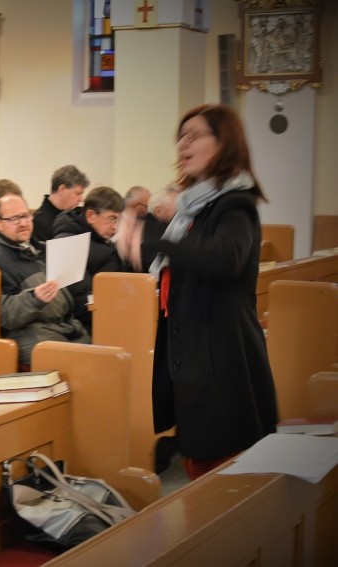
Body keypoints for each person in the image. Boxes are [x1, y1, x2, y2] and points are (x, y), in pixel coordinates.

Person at [141, 103, 278, 480]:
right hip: (194, 359)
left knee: (228, 478)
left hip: (222, 362)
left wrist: (157, 241)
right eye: (180, 137)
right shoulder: (192, 211)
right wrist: (143, 227)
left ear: (225, 143)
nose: (183, 145)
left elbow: (224, 260)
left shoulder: (235, 203)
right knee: (200, 470)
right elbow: (164, 264)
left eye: (194, 135)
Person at [0, 193, 89, 366]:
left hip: (63, 325)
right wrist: (34, 299)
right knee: (77, 366)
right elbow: (1, 315)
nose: (23, 223)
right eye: (14, 219)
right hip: (30, 334)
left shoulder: (40, 249)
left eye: (25, 216)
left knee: (101, 356)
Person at [51, 185, 129, 335]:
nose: (115, 227)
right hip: (87, 328)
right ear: (91, 216)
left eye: (118, 221)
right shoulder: (68, 244)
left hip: (110, 316)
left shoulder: (103, 239)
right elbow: (80, 301)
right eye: (111, 219)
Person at [32, 165, 89, 242]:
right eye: (78, 193)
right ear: (62, 189)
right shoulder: (39, 223)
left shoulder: (77, 214)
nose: (81, 199)